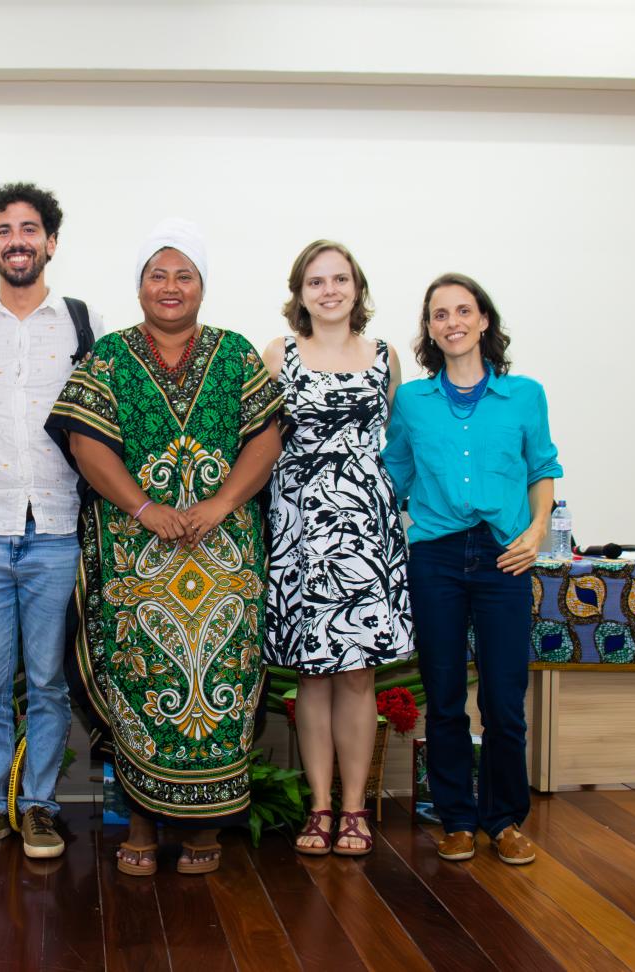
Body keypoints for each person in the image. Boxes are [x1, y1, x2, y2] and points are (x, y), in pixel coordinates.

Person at [47, 219, 286, 875]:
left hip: (225, 562)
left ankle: (206, 834)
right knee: (140, 690)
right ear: (140, 286)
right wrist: (144, 508)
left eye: (185, 275)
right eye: (158, 274)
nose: (171, 287)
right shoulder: (109, 356)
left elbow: (266, 438)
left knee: (223, 689)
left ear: (202, 286)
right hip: (134, 562)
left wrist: (222, 503)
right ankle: (144, 829)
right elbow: (84, 442)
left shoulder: (235, 354)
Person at [0, 182, 103, 860]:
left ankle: (37, 806)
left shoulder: (76, 318)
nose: (18, 239)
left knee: (46, 683)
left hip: (57, 528)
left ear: (51, 242)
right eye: (4, 230)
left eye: (30, 228)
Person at [384, 272, 561, 866]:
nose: (452, 322)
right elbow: (394, 476)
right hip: (435, 558)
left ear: (484, 320)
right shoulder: (411, 401)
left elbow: (543, 469)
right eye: (439, 314)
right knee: (444, 696)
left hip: (504, 558)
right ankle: (457, 819)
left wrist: (536, 533)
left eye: (464, 310)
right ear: (430, 328)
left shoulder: (526, 395)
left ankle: (505, 820)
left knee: (506, 699)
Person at [262, 240, 415, 857]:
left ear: (358, 287)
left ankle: (356, 810)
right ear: (299, 293)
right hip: (299, 527)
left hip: (366, 528)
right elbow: (261, 444)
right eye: (316, 281)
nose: (329, 290)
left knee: (357, 676)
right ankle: (319, 809)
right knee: (311, 679)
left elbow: (398, 444)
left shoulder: (385, 356)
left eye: (340, 279)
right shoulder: (278, 355)